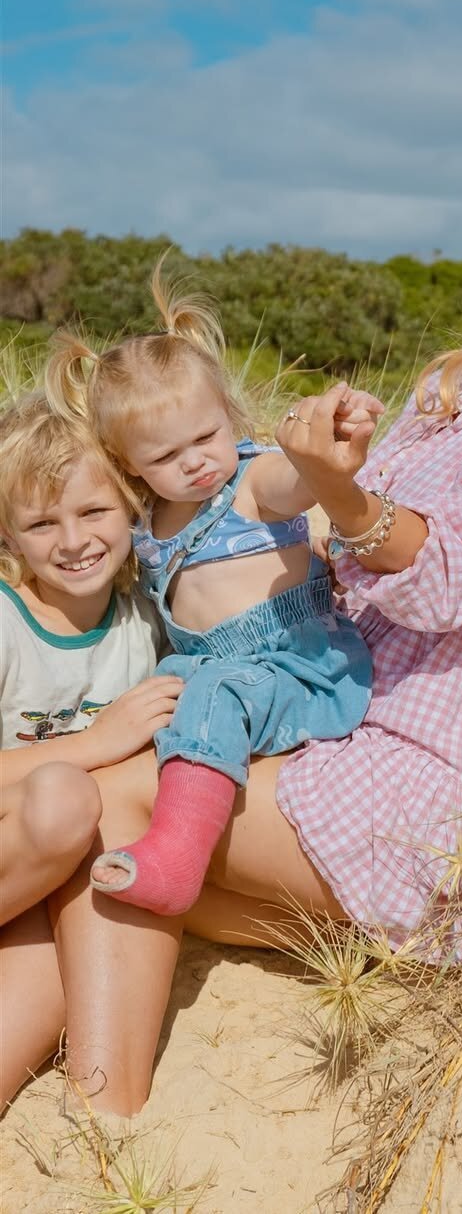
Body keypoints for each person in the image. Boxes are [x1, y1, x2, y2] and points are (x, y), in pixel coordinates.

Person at [5, 216, 462, 1116]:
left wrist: (336, 490)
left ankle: (102, 1116)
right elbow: (332, 551)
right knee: (123, 851)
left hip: (438, 755)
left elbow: (448, 582)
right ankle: (94, 1101)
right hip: (355, 724)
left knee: (115, 804)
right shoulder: (458, 392)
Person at [44, 264, 378, 917]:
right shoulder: (147, 523)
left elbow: (300, 482)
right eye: (168, 457)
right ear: (128, 464)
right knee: (163, 699)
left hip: (301, 671)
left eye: (206, 437)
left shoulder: (254, 483)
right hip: (210, 672)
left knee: (217, 693)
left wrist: (331, 446)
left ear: (227, 415)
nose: (196, 461)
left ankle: (175, 854)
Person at [0, 393, 182, 1105]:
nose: (73, 541)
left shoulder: (145, 623)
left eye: (94, 512)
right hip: (22, 847)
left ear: (132, 509)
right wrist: (95, 742)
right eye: (42, 523)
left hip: (43, 897)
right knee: (66, 798)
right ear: (10, 537)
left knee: (40, 1006)